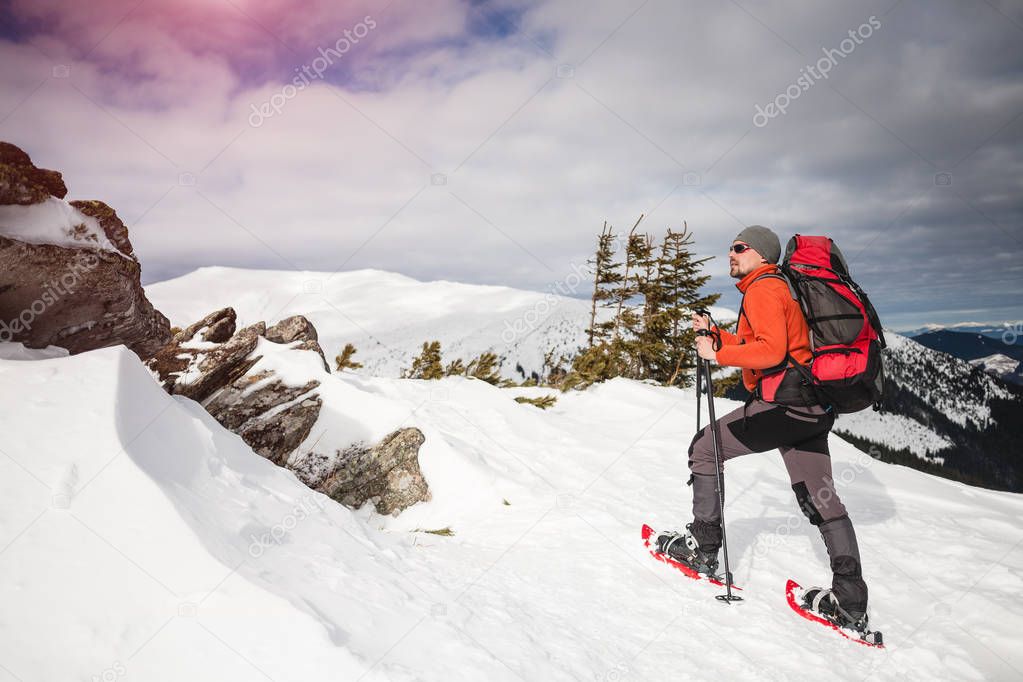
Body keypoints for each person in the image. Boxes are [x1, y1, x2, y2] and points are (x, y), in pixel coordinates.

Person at [655, 225, 870, 629]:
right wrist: (716, 336)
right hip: (812, 407)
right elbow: (763, 342)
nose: (731, 253)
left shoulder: (763, 289)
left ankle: (702, 549)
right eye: (731, 246)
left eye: (740, 247)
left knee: (704, 448)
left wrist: (716, 355)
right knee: (821, 497)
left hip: (784, 407)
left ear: (762, 254)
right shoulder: (776, 288)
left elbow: (770, 352)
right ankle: (850, 601)